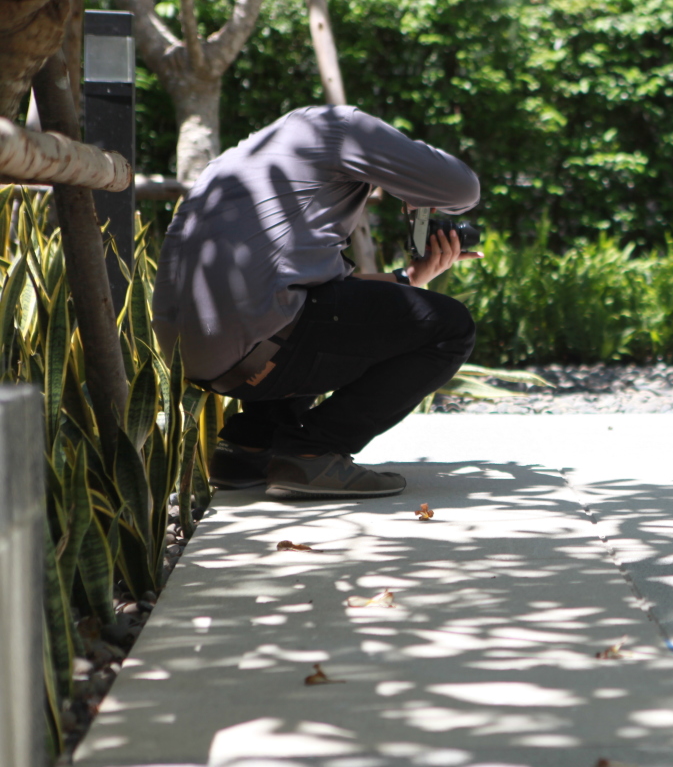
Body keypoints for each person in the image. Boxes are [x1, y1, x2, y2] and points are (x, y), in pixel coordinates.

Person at [152, 105, 482, 499]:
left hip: (190, 354)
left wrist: (409, 278)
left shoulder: (249, 158)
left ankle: (247, 448)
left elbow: (321, 293)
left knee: (315, 313)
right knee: (451, 327)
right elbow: (463, 189)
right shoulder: (339, 127)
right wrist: (416, 188)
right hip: (256, 340)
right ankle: (313, 452)